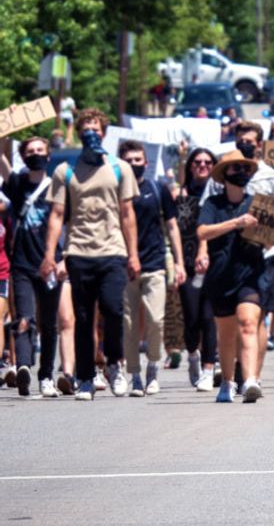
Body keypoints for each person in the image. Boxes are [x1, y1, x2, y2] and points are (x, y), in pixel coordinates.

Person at [41, 109, 140, 400]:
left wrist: (132, 253)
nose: (90, 133)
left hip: (112, 251)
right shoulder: (65, 171)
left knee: (113, 310)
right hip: (78, 251)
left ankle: (114, 365)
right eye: (85, 128)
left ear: (105, 133)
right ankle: (85, 377)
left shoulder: (120, 168)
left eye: (95, 129)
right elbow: (57, 215)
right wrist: (50, 254)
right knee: (82, 318)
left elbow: (127, 213)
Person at [203, 121, 274, 389]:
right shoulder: (218, 183)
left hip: (261, 257)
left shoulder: (273, 178)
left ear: (260, 144)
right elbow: (203, 221)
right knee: (231, 324)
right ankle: (234, 374)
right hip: (225, 259)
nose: (245, 144)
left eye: (250, 141)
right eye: (241, 139)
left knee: (254, 318)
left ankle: (253, 375)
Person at [196, 150, 267, 403]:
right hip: (221, 276)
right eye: (235, 168)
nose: (241, 173)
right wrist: (236, 223)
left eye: (245, 169)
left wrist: (263, 233)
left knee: (248, 323)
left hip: (250, 273)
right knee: (226, 335)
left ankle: (249, 380)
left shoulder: (257, 203)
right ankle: (227, 382)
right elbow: (203, 231)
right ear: (224, 174)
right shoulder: (212, 205)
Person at [118, 141, 186, 396]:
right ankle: (135, 375)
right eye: (129, 160)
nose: (134, 164)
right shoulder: (114, 191)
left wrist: (178, 262)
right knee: (129, 324)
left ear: (146, 163)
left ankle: (153, 368)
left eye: (138, 160)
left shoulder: (158, 190)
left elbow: (171, 226)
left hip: (155, 263)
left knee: (156, 320)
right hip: (124, 267)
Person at [0, 137, 66, 397]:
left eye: (40, 150)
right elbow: (3, 165)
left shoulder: (58, 188)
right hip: (22, 265)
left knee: (49, 324)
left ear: (48, 156)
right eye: (30, 151)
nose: (35, 154)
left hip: (50, 264)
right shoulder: (17, 185)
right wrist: (4, 135)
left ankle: (47, 374)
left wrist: (64, 260)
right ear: (23, 157)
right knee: (24, 318)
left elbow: (69, 225)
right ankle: (24, 365)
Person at [177, 148, 219, 391]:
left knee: (209, 318)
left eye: (207, 162)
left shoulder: (218, 195)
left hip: (214, 265)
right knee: (192, 319)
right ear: (190, 166)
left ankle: (208, 368)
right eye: (197, 162)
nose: (202, 165)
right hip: (189, 265)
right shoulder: (179, 194)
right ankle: (193, 355)